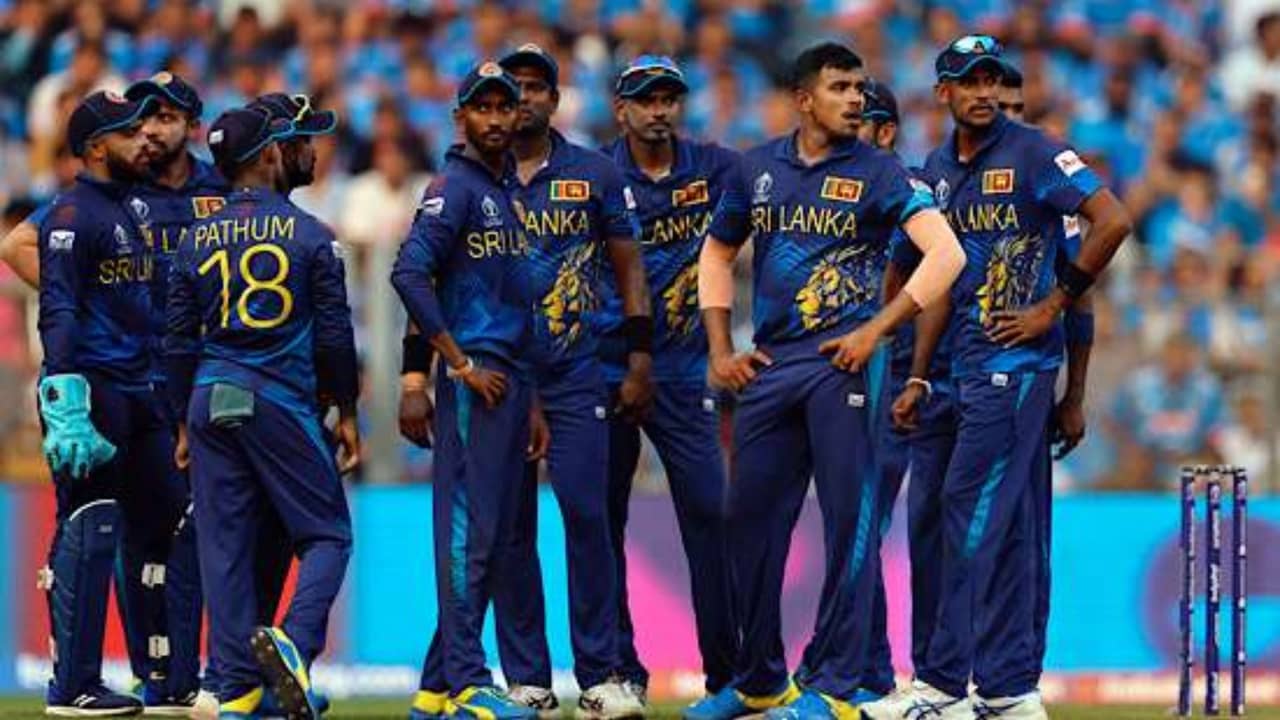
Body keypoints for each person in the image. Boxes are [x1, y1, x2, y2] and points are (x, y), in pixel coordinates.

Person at [862, 36, 1132, 720]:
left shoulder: (1037, 153)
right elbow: (935, 281)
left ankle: (943, 686)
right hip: (954, 373)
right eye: (969, 81)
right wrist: (917, 377)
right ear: (943, 92)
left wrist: (1052, 308)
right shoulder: (933, 171)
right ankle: (1007, 689)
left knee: (970, 516)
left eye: (993, 80)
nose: (984, 92)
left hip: (1014, 372)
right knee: (968, 524)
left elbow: (1113, 221)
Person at [695, 42, 965, 720]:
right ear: (803, 99)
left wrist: (877, 330)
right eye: (840, 87)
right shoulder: (757, 169)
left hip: (844, 363)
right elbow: (717, 252)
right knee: (747, 521)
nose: (854, 99)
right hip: (771, 364)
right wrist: (721, 349)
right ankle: (759, 678)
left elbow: (947, 255)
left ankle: (838, 686)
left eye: (859, 88)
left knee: (851, 524)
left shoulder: (880, 171)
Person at [165, 106, 360, 719]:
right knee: (328, 534)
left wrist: (180, 420)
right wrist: (347, 409)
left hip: (208, 398)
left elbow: (178, 342)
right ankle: (294, 646)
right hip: (277, 396)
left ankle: (236, 688)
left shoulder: (194, 237)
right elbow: (334, 335)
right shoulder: (311, 234)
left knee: (224, 550)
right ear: (271, 154)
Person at [487, 43, 651, 718]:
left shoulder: (594, 173)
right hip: (500, 376)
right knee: (510, 527)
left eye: (536, 87)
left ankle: (602, 673)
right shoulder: (477, 175)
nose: (524, 98)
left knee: (588, 517)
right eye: (513, 88)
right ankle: (528, 678)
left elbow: (629, 266)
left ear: (555, 100)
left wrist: (639, 357)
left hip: (576, 371)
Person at [391, 62, 539, 720]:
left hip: (509, 380)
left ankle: (435, 689)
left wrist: (532, 399)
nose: (497, 119)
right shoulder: (453, 189)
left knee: (493, 536)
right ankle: (469, 682)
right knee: (468, 536)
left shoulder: (504, 191)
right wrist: (451, 364)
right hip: (475, 381)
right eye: (484, 108)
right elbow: (409, 274)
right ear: (461, 118)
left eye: (505, 107)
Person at [599, 55, 740, 719]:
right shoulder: (597, 175)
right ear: (620, 109)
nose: (659, 109)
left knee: (712, 515)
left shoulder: (715, 169)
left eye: (668, 98)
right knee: (602, 522)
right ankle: (619, 673)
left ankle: (729, 677)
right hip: (608, 367)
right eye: (645, 99)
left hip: (685, 370)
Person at [35, 89, 181, 715]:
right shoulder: (71, 216)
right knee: (90, 526)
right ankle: (73, 684)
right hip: (92, 389)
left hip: (142, 388)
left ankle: (166, 678)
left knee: (171, 522)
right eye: (128, 132)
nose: (144, 139)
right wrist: (64, 393)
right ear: (96, 147)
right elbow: (59, 307)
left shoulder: (135, 207)